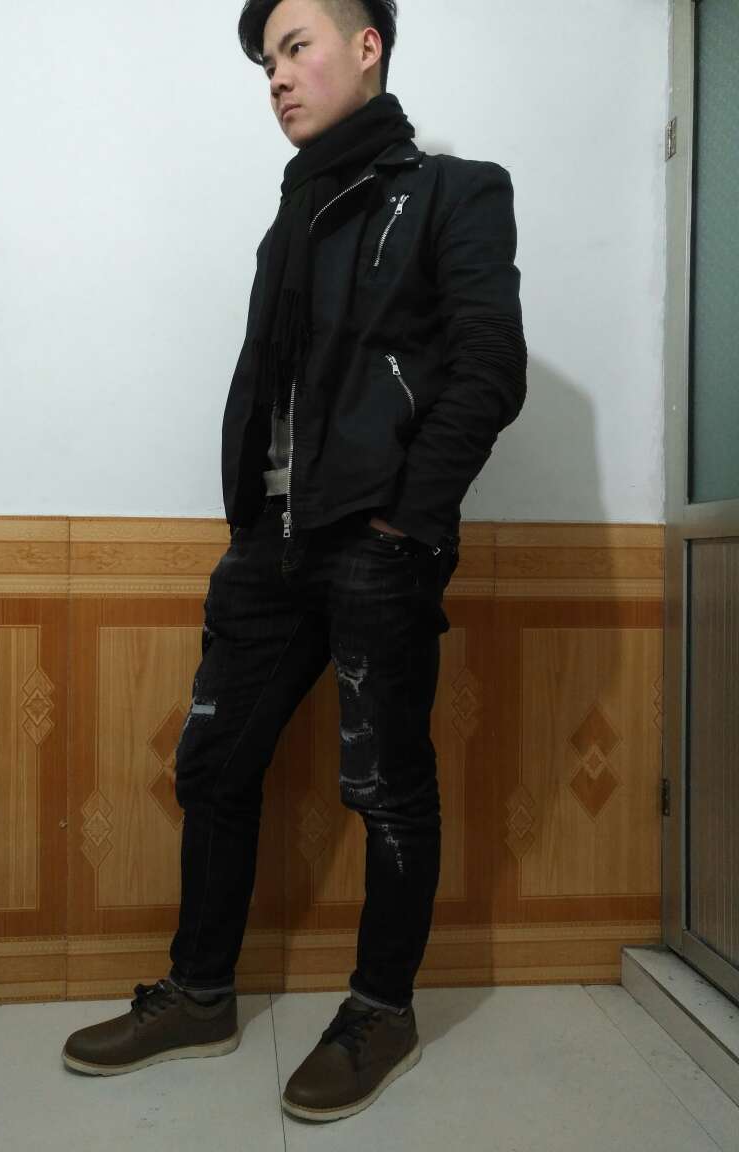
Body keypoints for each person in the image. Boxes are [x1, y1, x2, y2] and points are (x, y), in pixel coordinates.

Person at [63, 0, 527, 1123]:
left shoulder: (455, 193)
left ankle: (381, 1010)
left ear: (368, 47)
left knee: (386, 787)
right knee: (213, 767)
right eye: (266, 59)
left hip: (376, 540)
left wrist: (405, 520)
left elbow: (489, 368)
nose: (276, 75)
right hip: (268, 543)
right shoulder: (295, 213)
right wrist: (246, 523)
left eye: (296, 45)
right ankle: (200, 994)